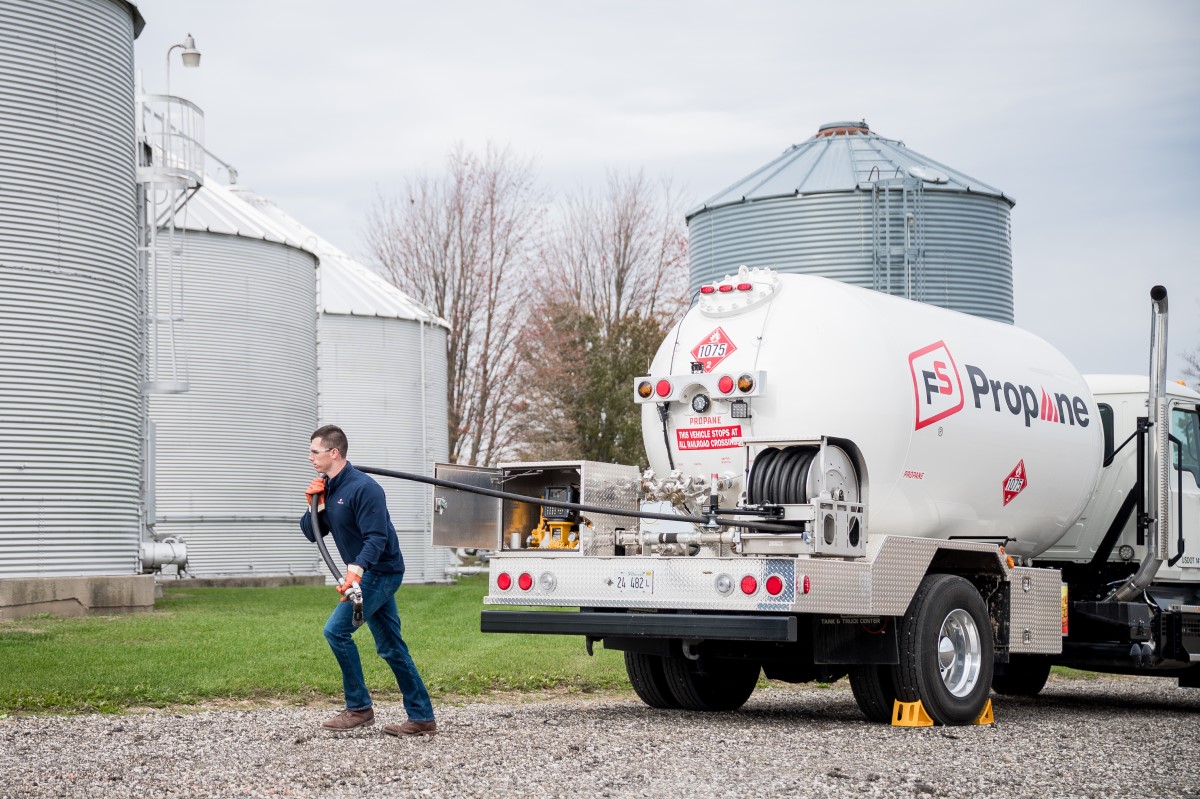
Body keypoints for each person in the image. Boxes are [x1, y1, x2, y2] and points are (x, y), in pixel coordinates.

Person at [300, 424, 437, 736]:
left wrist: (355, 573)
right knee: (391, 647)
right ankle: (422, 718)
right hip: (366, 572)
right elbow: (312, 533)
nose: (310, 457)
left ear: (334, 453)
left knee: (336, 631)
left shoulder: (365, 489)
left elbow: (376, 538)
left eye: (315, 452)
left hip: (382, 571)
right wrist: (313, 506)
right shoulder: (328, 487)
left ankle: (359, 708)